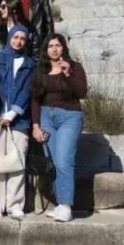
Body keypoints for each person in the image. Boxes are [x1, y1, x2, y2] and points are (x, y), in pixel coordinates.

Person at [32, 34, 88, 223]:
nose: (54, 49)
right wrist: (35, 125)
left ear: (63, 47)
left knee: (64, 160)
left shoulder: (74, 67)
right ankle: (59, 204)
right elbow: (35, 100)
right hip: (46, 117)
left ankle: (65, 205)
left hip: (69, 116)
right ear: (46, 49)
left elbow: (82, 92)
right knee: (54, 162)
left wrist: (68, 74)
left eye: (58, 45)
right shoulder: (41, 69)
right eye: (50, 46)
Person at [0, 25, 35, 219]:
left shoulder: (30, 63)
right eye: (16, 37)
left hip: (18, 121)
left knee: (17, 162)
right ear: (10, 38)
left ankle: (14, 204)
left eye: (23, 38)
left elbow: (28, 90)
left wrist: (14, 113)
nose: (19, 41)